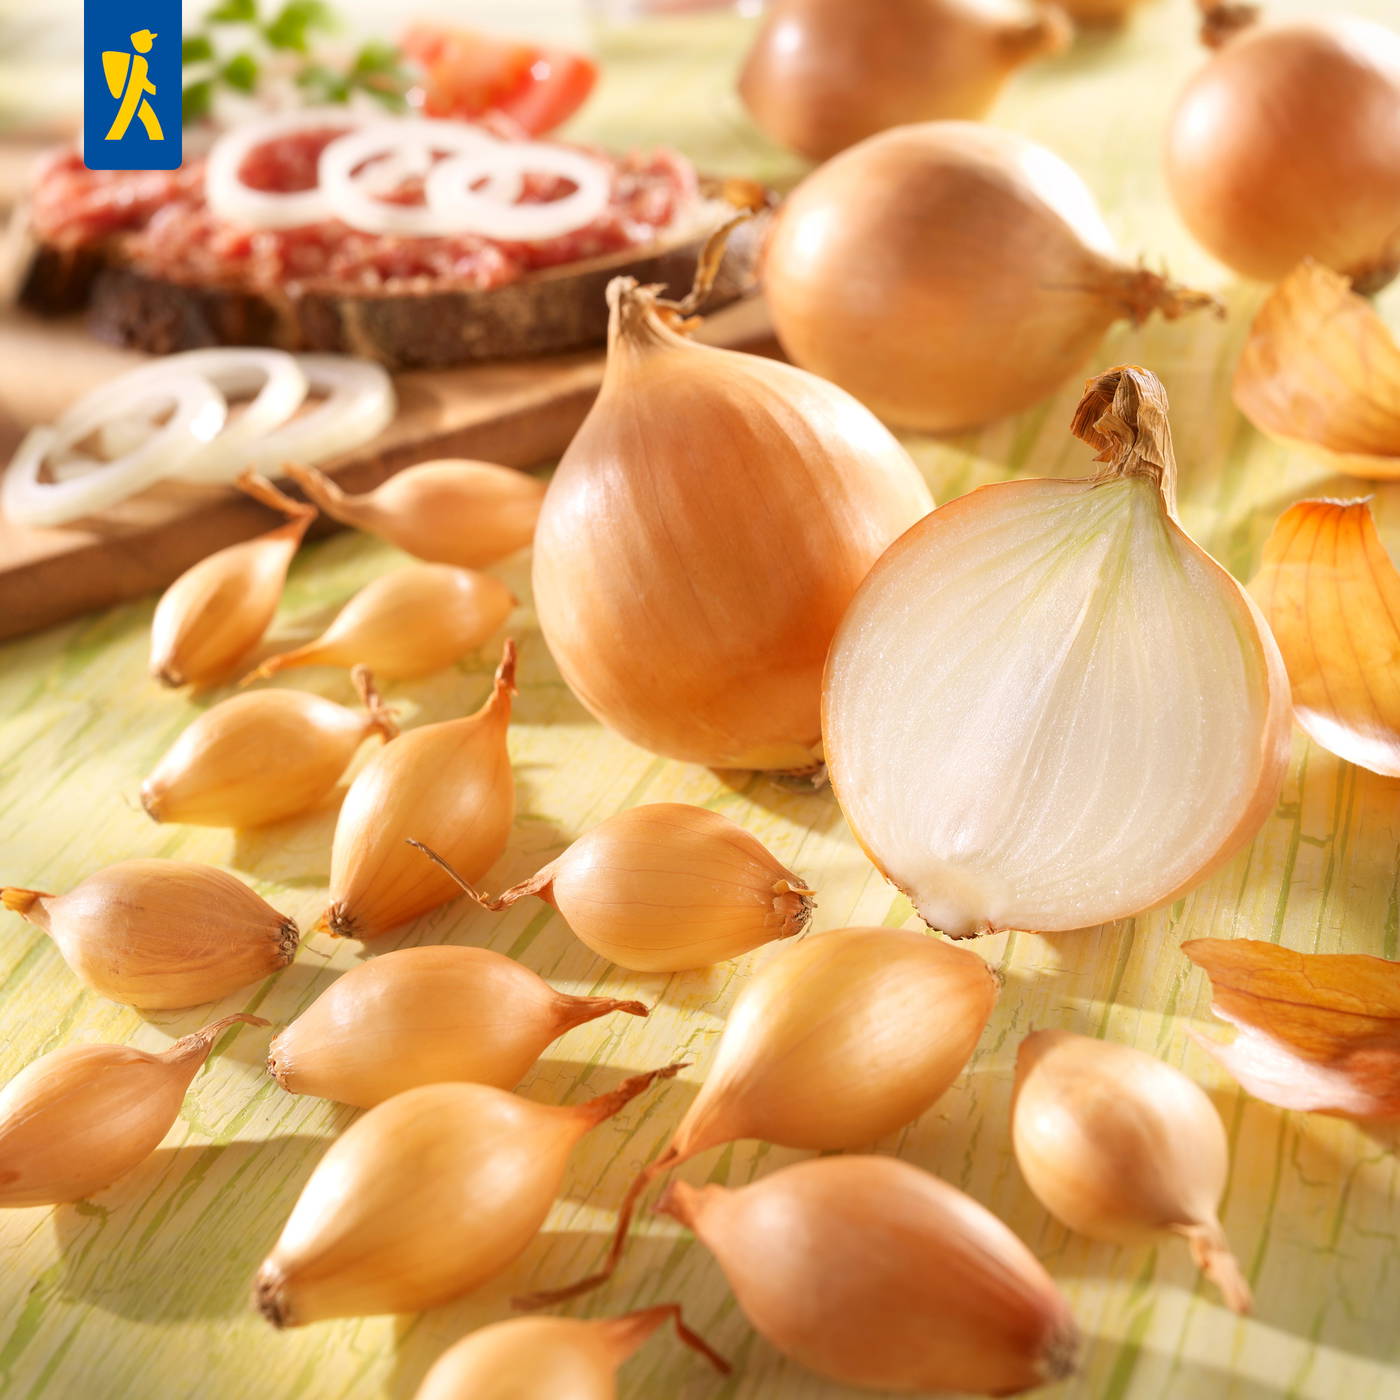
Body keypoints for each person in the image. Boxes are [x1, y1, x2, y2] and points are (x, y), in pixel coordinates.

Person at [103, 29, 164, 142]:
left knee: (149, 122)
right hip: (131, 96)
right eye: (148, 41)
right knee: (127, 121)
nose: (151, 44)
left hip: (133, 95)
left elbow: (145, 84)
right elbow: (144, 84)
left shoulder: (129, 60)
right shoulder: (138, 62)